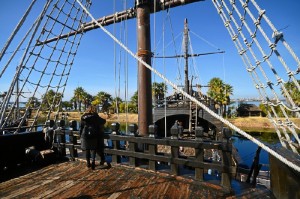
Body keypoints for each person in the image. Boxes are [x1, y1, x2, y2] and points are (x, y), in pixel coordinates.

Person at [80, 105, 106, 170]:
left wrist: (80, 135)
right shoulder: (96, 116)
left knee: (87, 149)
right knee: (93, 149)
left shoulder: (83, 117)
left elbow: (81, 126)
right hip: (94, 134)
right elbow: (103, 121)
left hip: (85, 135)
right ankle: (93, 162)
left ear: (87, 109)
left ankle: (88, 163)